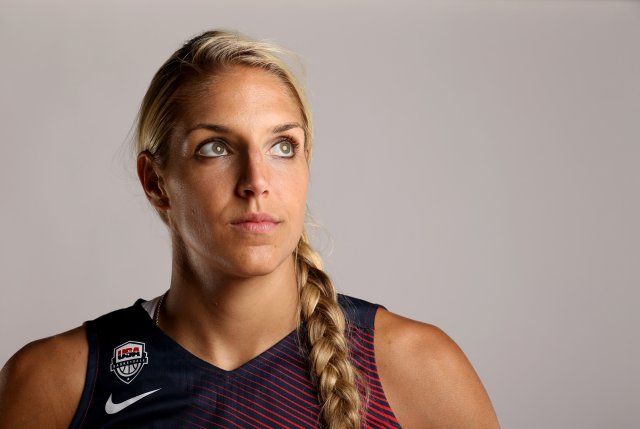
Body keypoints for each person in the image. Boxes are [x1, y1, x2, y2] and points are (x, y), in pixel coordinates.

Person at [0, 30, 500, 429]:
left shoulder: (417, 369)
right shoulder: (57, 382)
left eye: (283, 147)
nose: (256, 182)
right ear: (156, 182)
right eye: (215, 148)